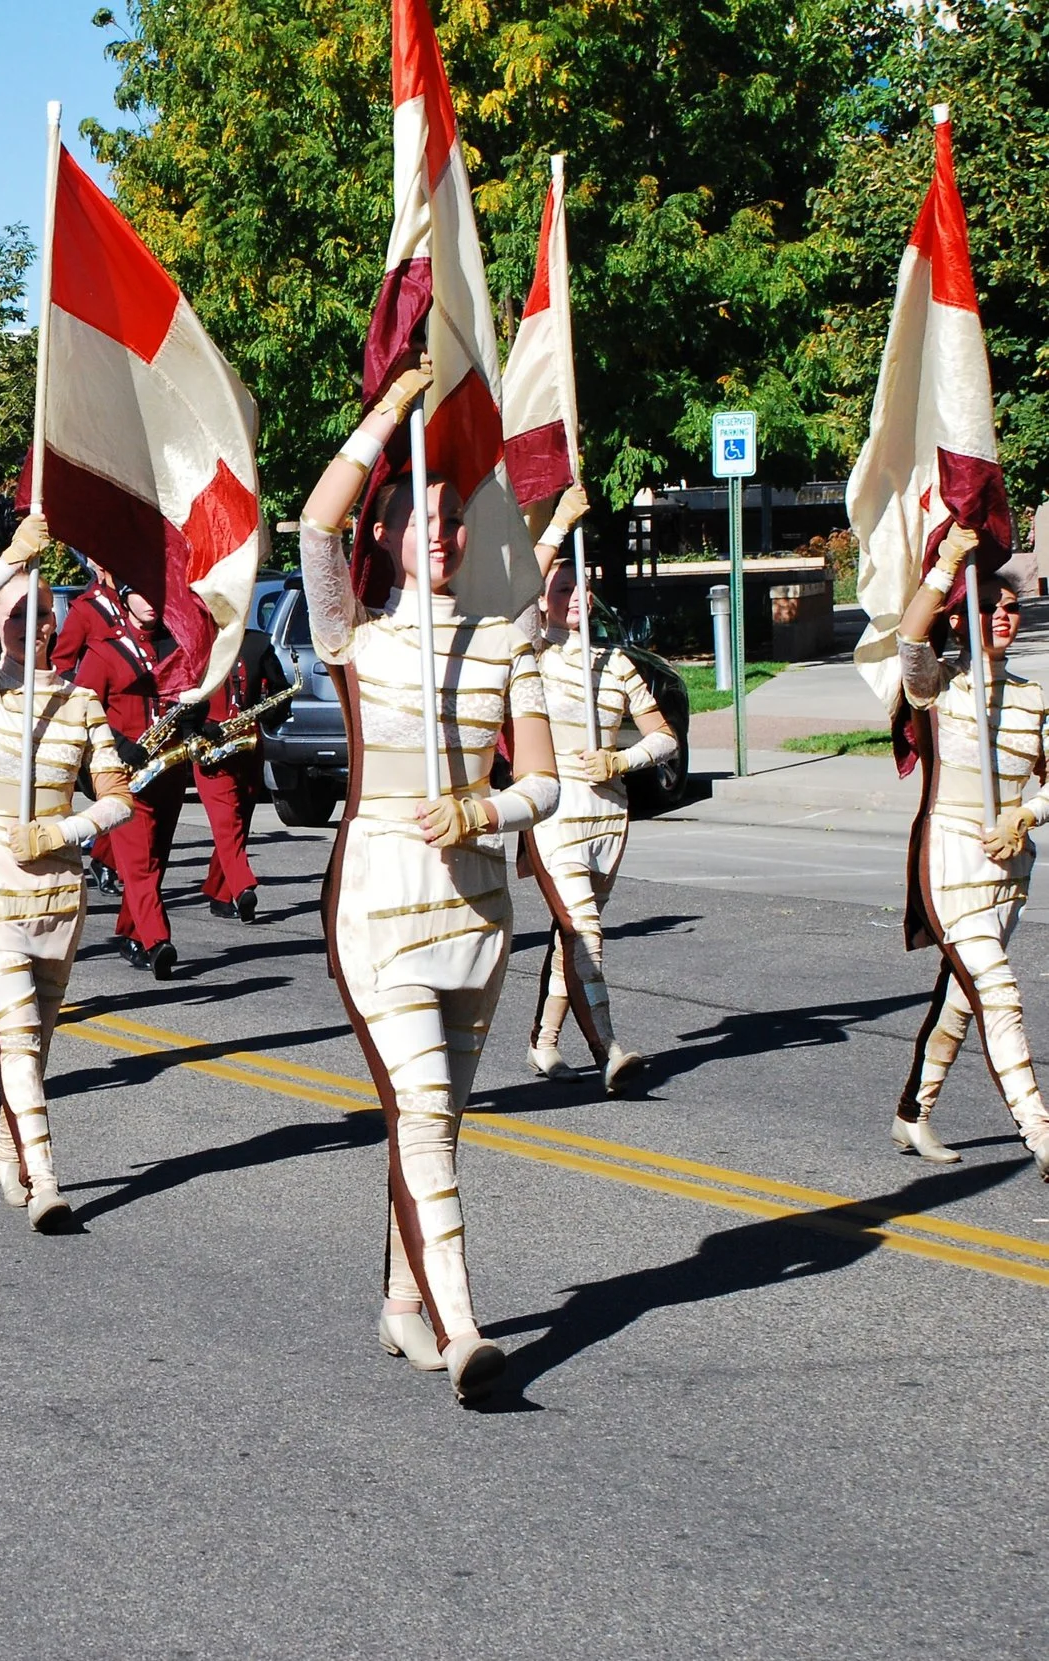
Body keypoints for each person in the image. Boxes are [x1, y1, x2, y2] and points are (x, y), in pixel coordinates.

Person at [299, 361, 559, 1402]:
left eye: (455, 519)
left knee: (438, 1118)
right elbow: (315, 531)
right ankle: (463, 1328)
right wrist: (389, 417)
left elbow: (544, 784)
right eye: (420, 518)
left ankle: (402, 1300)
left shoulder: (507, 642)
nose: (442, 534)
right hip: (379, 906)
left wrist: (484, 808)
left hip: (477, 912)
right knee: (417, 1106)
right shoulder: (351, 638)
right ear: (392, 535)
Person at [0, 510, 134, 1231]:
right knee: (17, 1034)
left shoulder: (80, 702)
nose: (36, 625)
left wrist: (66, 826)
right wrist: (6, 564)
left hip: (57, 886)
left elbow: (119, 801)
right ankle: (49, 1178)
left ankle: (7, 1138)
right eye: (19, 614)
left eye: (46, 613)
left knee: (38, 1042)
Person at [888, 524, 1049, 1180]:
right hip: (950, 861)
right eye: (990, 607)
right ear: (964, 617)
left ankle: (912, 1114)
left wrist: (1028, 813)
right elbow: (909, 637)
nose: (1003, 616)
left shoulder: (1035, 697)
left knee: (962, 997)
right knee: (999, 990)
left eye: (1011, 608)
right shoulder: (942, 686)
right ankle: (1040, 1130)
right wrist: (952, 558)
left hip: (1010, 871)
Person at [517, 486, 679, 1090]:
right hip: (555, 815)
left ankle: (545, 1041)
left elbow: (666, 740)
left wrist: (623, 757)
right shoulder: (531, 652)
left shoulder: (617, 663)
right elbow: (516, 598)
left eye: (582, 586)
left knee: (574, 936)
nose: (576, 595)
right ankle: (610, 1048)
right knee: (588, 933)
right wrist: (557, 526)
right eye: (562, 588)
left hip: (609, 821)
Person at [71, 579, 190, 978]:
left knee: (156, 860)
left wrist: (196, 720)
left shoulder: (177, 647)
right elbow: (82, 710)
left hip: (168, 770)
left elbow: (188, 698)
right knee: (138, 865)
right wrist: (120, 745)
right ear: (124, 599)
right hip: (126, 775)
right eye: (141, 592)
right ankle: (158, 941)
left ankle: (131, 932)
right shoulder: (105, 653)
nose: (151, 600)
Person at [194, 616, 294, 923]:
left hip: (247, 746)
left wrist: (271, 715)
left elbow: (279, 689)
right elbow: (176, 696)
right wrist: (196, 728)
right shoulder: (194, 646)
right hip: (209, 747)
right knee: (227, 823)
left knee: (240, 822)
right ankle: (242, 888)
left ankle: (219, 890)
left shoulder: (257, 643)